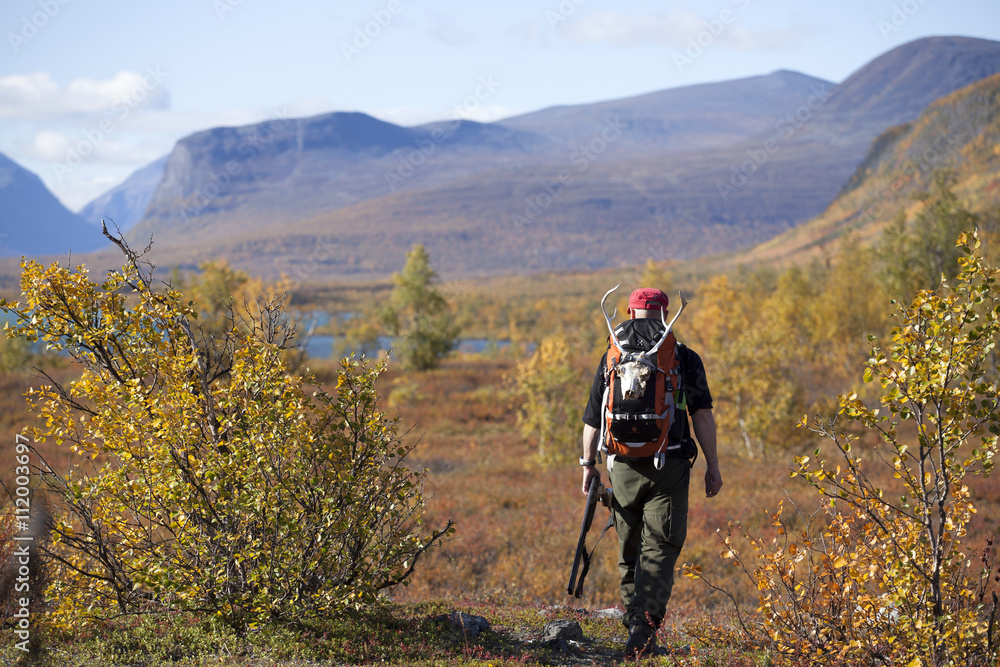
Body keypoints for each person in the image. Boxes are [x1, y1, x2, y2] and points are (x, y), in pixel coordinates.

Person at [579, 287, 723, 657]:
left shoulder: (612, 355)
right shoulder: (683, 357)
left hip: (621, 467)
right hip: (669, 466)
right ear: (665, 312)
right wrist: (713, 465)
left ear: (629, 311)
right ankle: (644, 629)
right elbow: (701, 414)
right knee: (659, 547)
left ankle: (634, 623)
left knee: (628, 548)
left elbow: (593, 419)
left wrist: (587, 465)